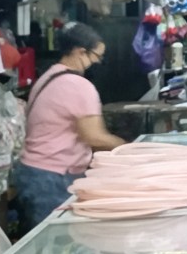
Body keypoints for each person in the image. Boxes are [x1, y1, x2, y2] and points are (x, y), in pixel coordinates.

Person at [16, 22, 125, 232]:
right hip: (53, 177)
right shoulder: (78, 85)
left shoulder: (48, 76)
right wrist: (126, 148)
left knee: (41, 242)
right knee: (55, 244)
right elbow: (94, 137)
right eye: (96, 56)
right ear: (80, 51)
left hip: (32, 171)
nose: (97, 62)